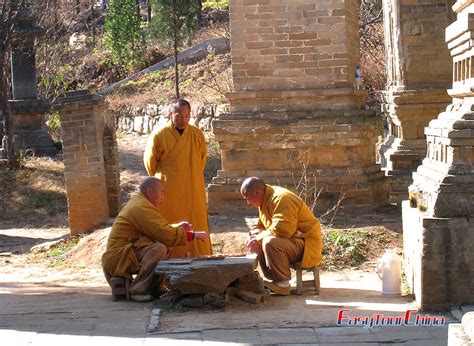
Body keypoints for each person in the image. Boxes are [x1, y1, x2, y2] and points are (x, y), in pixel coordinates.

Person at [101, 177, 208, 302]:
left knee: (163, 245)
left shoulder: (141, 203)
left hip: (125, 254)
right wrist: (194, 235)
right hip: (119, 258)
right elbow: (165, 234)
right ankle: (138, 290)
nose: (163, 196)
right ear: (150, 192)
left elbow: (157, 230)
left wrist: (177, 228)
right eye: (161, 192)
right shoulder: (140, 207)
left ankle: (153, 287)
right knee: (159, 248)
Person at [143, 99, 211, 258]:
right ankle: (170, 261)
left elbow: (202, 159)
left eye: (187, 116)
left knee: (196, 222)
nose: (183, 119)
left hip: (194, 186)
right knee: (170, 223)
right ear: (170, 114)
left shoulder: (196, 133)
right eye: (179, 116)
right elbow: (150, 163)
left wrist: (191, 173)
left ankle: (199, 260)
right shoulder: (160, 134)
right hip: (168, 189)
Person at [241, 177, 322, 296]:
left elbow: (283, 230)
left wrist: (259, 237)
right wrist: (254, 236)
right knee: (259, 239)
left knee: (269, 241)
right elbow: (260, 226)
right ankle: (275, 280)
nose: (248, 202)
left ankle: (283, 284)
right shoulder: (265, 200)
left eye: (247, 198)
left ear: (257, 192)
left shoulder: (282, 198)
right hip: (291, 243)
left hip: (306, 246)